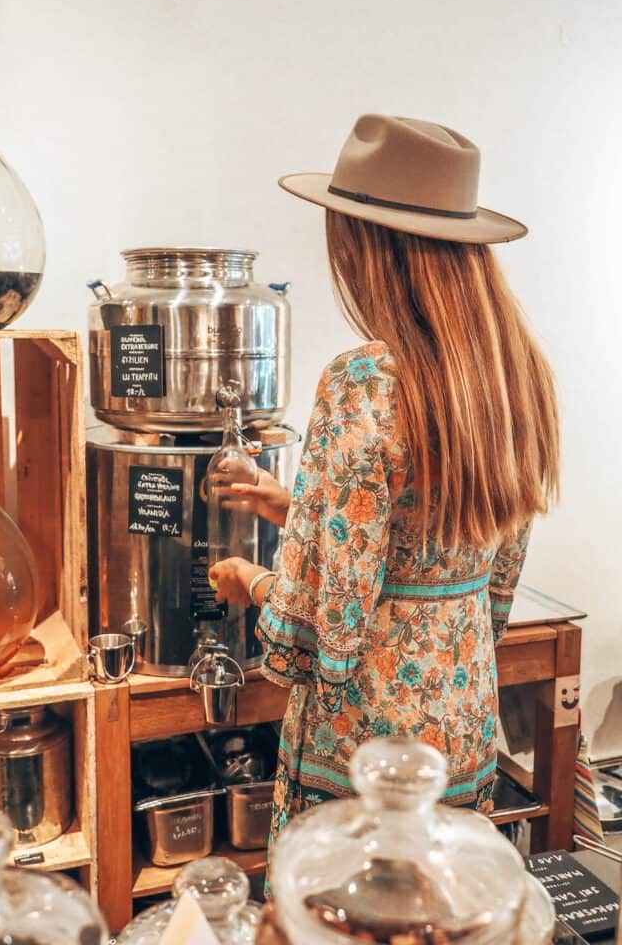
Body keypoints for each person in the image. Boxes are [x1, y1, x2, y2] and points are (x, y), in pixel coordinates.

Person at [208, 114, 559, 847]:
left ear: (368, 247)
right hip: (462, 711)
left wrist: (248, 580)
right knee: (437, 911)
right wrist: (293, 508)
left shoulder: (363, 381)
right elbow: (479, 571)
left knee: (345, 917)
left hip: (365, 740)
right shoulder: (512, 374)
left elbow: (320, 628)